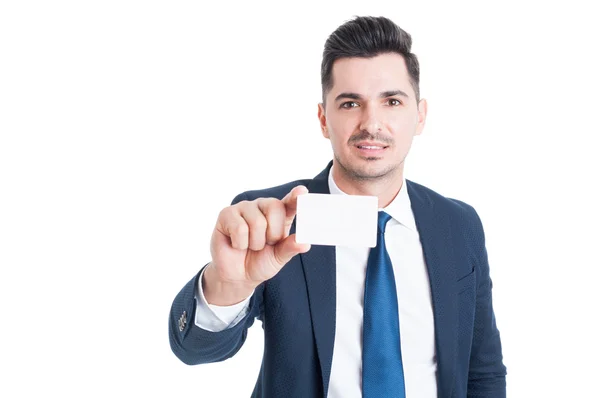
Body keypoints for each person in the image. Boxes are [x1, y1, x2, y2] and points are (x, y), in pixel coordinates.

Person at [168, 15, 506, 398]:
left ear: (420, 115)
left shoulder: (459, 224)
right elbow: (195, 349)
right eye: (350, 103)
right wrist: (229, 286)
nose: (371, 123)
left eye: (392, 101)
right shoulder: (272, 221)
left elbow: (483, 371)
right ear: (324, 118)